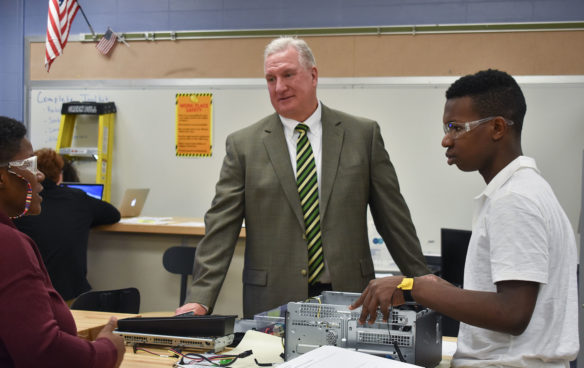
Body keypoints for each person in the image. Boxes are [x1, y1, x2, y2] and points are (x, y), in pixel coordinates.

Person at [176, 36, 429, 319]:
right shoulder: (244, 145)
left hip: (350, 295)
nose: (279, 87)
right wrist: (199, 298)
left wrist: (425, 284)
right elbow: (221, 227)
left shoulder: (362, 135)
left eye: (288, 74)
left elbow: (393, 219)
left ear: (313, 75)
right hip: (273, 299)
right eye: (270, 79)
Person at [350, 69, 579, 366]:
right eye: (446, 128)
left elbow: (513, 313)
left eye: (456, 128)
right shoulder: (525, 191)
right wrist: (431, 284)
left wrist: (410, 286)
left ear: (497, 128)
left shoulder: (515, 200)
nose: (446, 140)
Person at [0, 116, 125, 367]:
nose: (40, 176)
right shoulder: (8, 244)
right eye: (30, 164)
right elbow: (44, 352)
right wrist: (108, 349)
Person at [13, 148, 121, 303]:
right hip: (72, 294)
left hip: (30, 293)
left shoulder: (20, 203)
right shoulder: (78, 199)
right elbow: (113, 215)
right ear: (59, 175)